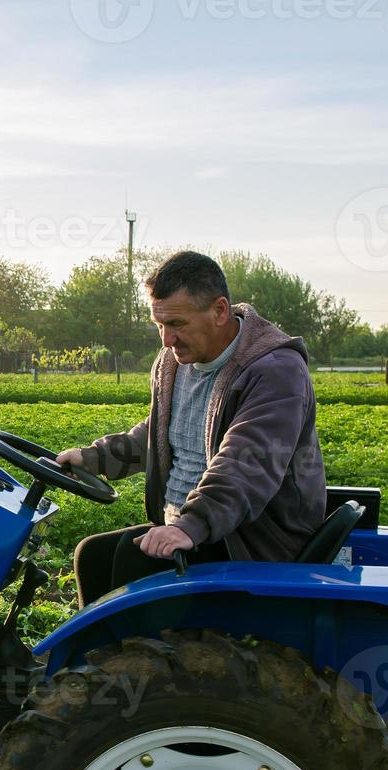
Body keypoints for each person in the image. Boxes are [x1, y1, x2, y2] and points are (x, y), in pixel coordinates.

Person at [57, 250, 326, 607]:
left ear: (219, 311)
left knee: (131, 562)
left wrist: (188, 526)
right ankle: (96, 658)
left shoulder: (274, 371)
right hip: (193, 528)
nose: (167, 340)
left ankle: (129, 662)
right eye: (160, 325)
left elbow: (246, 464)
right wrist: (96, 458)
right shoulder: (176, 361)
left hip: (248, 540)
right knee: (93, 555)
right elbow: (163, 434)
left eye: (178, 324)